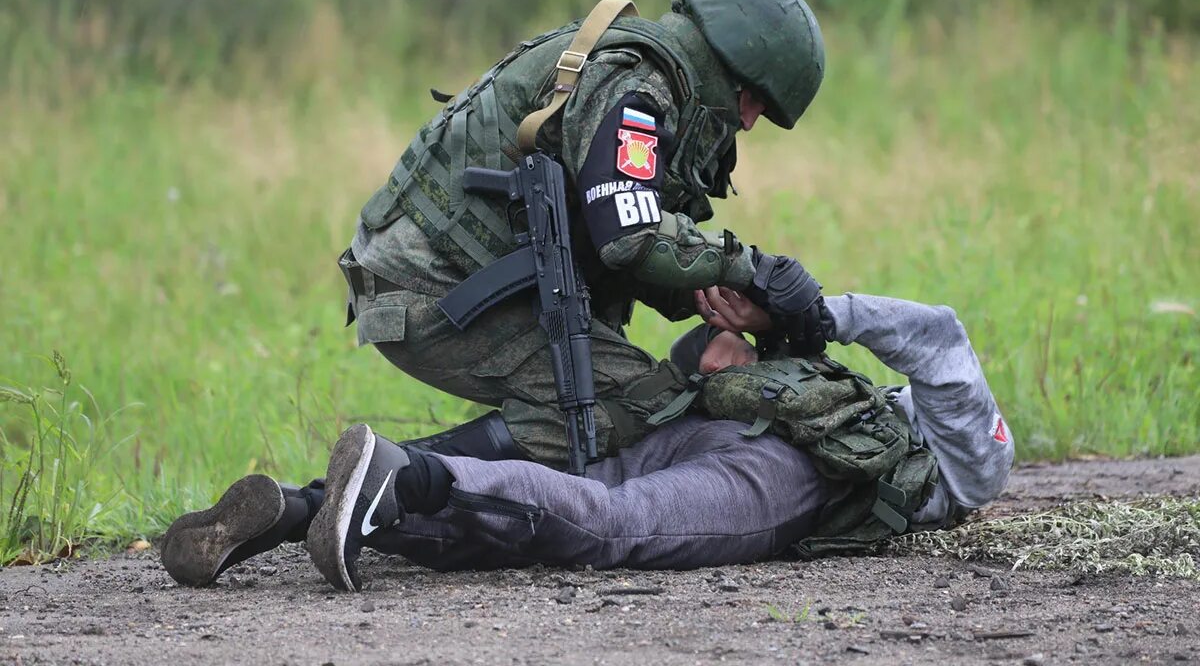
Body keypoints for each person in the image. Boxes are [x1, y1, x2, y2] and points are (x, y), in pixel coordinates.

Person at [163, 289, 1014, 592]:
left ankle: (317, 508)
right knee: (609, 521)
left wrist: (752, 335)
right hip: (778, 473)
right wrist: (806, 315)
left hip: (701, 427)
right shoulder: (972, 461)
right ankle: (405, 479)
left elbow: (928, 341)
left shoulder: (855, 391)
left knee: (554, 493)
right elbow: (940, 335)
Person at [339, 0, 833, 470]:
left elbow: (613, 233)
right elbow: (628, 235)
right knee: (639, 402)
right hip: (430, 286)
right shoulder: (639, 86)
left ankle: (374, 484)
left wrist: (728, 304)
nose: (748, 121)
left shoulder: (657, 82)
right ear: (724, 63)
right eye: (752, 98)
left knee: (623, 398)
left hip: (444, 277)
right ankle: (378, 482)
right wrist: (752, 269)